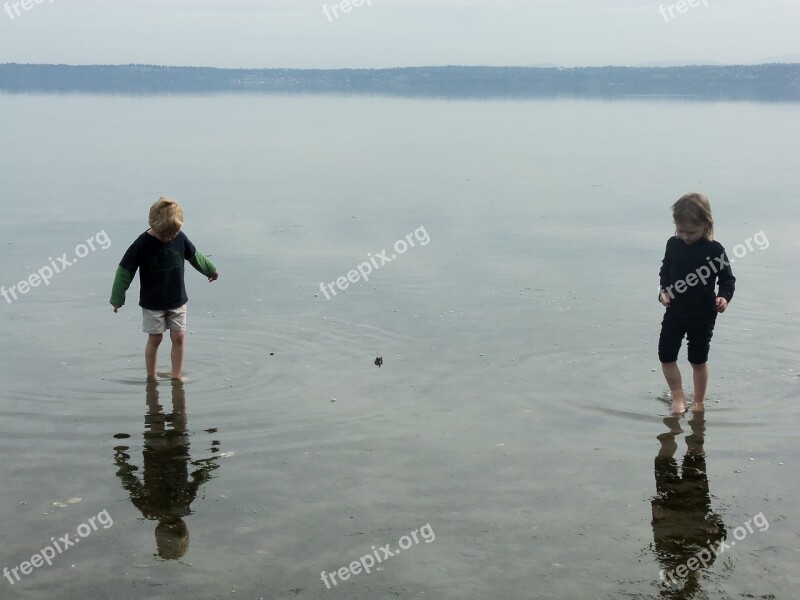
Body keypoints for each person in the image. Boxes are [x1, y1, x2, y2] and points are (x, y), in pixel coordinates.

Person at [110, 197, 219, 380]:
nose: (169, 238)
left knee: (179, 337)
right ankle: (151, 377)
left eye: (173, 234)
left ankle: (176, 376)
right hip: (153, 302)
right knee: (155, 338)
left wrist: (210, 269)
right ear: (153, 225)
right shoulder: (142, 244)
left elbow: (195, 256)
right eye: (165, 236)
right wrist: (117, 298)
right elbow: (125, 271)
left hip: (177, 299)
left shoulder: (179, 237)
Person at [657, 193, 735, 414]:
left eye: (691, 232)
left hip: (703, 314)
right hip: (675, 311)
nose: (684, 236)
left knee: (698, 360)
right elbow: (665, 272)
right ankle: (678, 397)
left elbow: (728, 280)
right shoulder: (673, 245)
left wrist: (723, 297)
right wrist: (663, 292)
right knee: (666, 354)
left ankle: (699, 402)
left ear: (706, 225)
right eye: (680, 230)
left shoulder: (714, 250)